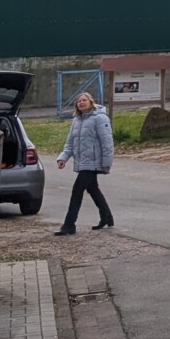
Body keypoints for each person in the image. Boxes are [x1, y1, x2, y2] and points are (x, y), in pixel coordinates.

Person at [56, 92, 115, 234]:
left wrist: (107, 164)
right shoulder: (77, 120)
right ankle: (107, 217)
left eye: (84, 100)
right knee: (93, 189)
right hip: (82, 162)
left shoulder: (100, 118)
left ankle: (69, 225)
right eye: (78, 101)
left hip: (93, 163)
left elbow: (107, 142)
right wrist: (62, 158)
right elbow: (70, 143)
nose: (81, 103)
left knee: (77, 191)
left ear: (91, 102)